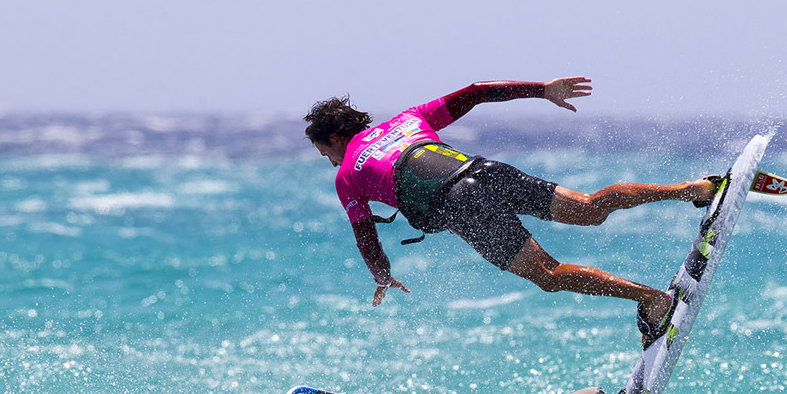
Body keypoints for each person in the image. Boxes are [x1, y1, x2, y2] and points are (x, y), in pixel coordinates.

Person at [304, 76, 719, 348]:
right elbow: (477, 90)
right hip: (486, 170)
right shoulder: (407, 119)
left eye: (324, 150)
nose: (326, 159)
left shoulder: (346, 174)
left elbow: (366, 237)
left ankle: (653, 300)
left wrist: (381, 276)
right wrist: (543, 90)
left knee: (549, 275)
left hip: (461, 203)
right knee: (590, 207)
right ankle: (695, 189)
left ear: (337, 137)